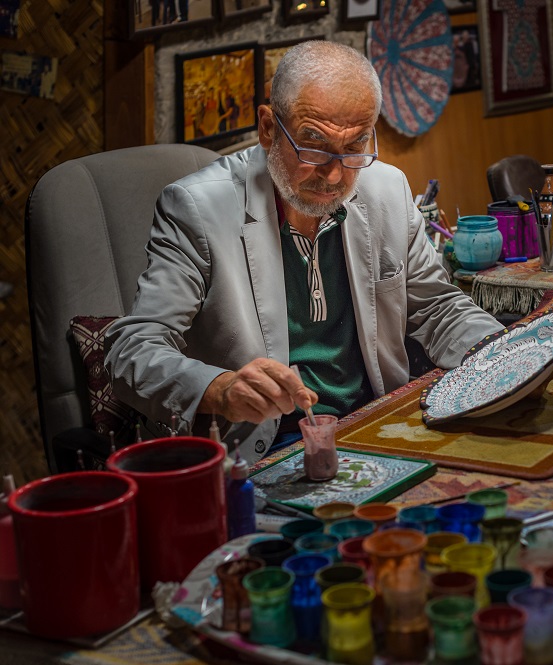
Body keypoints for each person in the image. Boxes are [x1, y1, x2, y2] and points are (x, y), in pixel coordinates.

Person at [105, 41, 504, 464]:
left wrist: (509, 351)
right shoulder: (198, 208)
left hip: (376, 422)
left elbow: (437, 308)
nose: (334, 174)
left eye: (353, 148)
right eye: (313, 144)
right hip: (265, 446)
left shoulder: (386, 188)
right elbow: (132, 349)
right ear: (268, 128)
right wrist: (220, 388)